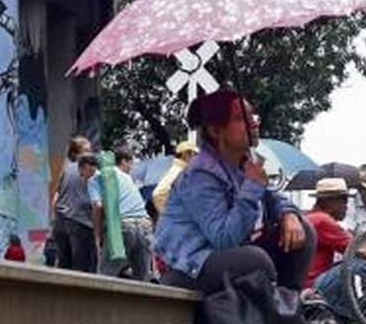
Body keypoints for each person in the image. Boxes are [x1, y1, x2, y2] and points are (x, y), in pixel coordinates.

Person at [155, 89, 314, 296]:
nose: (254, 123)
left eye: (252, 116)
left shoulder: (244, 162)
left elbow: (273, 198)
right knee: (255, 261)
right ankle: (278, 310)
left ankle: (290, 306)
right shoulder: (200, 175)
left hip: (227, 256)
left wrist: (289, 214)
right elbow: (224, 238)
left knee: (304, 231)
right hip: (190, 267)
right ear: (215, 131)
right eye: (241, 118)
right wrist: (252, 187)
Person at [88, 147, 154, 282]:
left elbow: (98, 206)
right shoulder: (127, 178)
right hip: (145, 225)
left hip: (122, 227)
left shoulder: (96, 178)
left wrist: (97, 235)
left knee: (106, 276)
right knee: (142, 280)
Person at [50, 135, 97, 273]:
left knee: (64, 269)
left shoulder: (66, 169)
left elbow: (55, 198)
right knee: (82, 271)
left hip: (61, 224)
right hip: (80, 224)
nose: (91, 153)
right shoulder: (90, 170)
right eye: (87, 150)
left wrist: (55, 220)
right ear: (76, 153)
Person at [303, 178, 354, 288]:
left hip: (299, 283)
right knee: (363, 265)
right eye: (343, 200)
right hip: (313, 285)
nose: (346, 205)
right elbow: (358, 248)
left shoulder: (308, 216)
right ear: (328, 201)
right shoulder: (323, 220)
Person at [151, 140, 199, 214]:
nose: (195, 157)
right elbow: (158, 194)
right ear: (185, 154)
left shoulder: (182, 171)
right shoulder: (177, 172)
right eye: (193, 154)